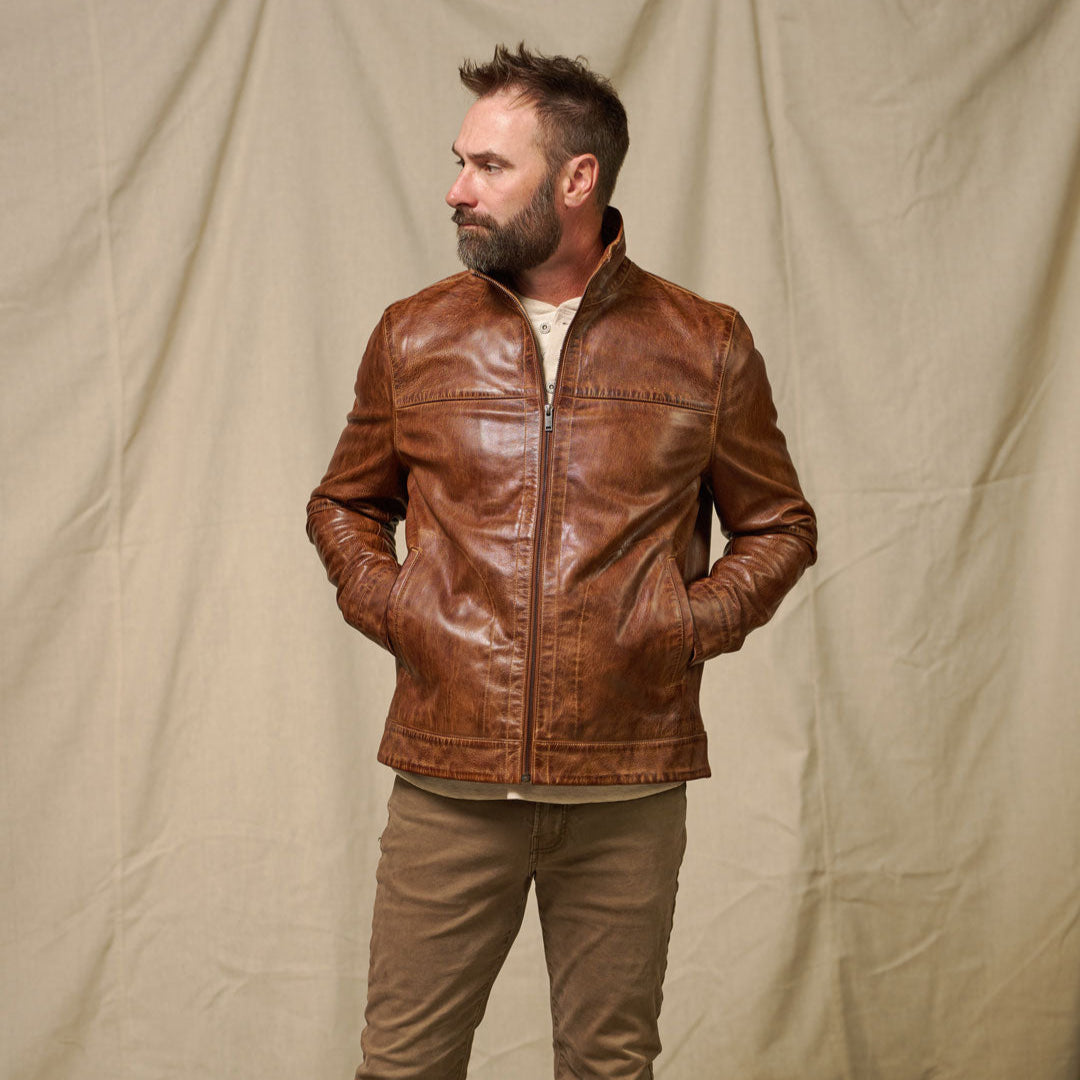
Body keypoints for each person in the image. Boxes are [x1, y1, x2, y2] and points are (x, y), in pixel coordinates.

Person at [307, 42, 817, 1080]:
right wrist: (403, 607)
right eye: (460, 162)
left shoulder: (702, 344)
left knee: (608, 1067)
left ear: (578, 179)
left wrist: (684, 624)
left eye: (490, 167)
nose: (456, 190)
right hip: (449, 777)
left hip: (627, 781)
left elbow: (780, 524)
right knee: (402, 1066)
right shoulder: (413, 337)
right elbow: (344, 505)